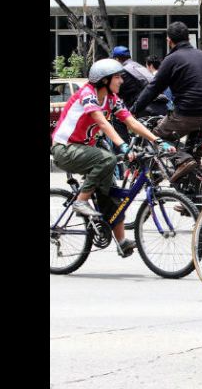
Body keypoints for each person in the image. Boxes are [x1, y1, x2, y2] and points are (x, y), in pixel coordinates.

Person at [50, 58, 175, 257]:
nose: (121, 81)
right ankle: (81, 201)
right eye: (117, 77)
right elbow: (102, 122)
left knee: (112, 194)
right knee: (107, 159)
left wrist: (157, 141)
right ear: (104, 80)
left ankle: (122, 241)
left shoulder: (111, 98)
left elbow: (130, 121)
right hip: (65, 149)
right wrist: (123, 145)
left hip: (85, 150)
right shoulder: (88, 94)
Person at [131, 21, 202, 184]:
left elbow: (153, 89)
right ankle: (192, 197)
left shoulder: (171, 59)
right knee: (194, 158)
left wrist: (133, 110)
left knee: (155, 137)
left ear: (169, 40)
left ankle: (182, 160)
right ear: (188, 38)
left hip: (186, 114)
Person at [110, 46, 168, 141]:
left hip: (145, 108)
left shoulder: (123, 71)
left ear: (116, 59)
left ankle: (123, 147)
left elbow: (115, 92)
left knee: (117, 116)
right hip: (162, 107)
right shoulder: (138, 66)